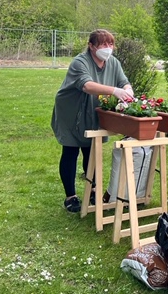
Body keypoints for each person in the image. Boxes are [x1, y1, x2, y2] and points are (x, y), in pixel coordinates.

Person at [51, 29, 134, 213]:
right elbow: (86, 85)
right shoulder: (80, 62)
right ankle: (70, 197)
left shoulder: (113, 62)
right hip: (72, 112)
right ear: (91, 46)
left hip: (93, 111)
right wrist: (114, 91)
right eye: (103, 44)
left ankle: (93, 190)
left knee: (92, 151)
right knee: (71, 150)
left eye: (110, 44)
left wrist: (127, 90)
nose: (107, 48)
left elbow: (123, 81)